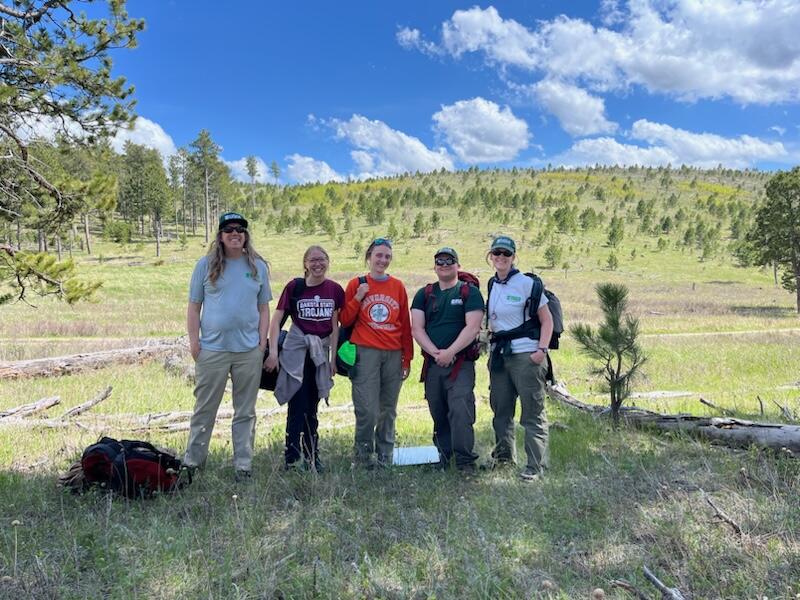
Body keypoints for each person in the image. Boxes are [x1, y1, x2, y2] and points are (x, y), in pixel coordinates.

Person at [185, 212, 272, 482]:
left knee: (245, 410)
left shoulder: (258, 266)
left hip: (248, 351)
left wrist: (261, 342)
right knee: (204, 408)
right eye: (229, 230)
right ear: (220, 236)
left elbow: (263, 307)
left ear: (246, 236)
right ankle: (192, 463)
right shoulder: (206, 265)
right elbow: (194, 306)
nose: (235, 234)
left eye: (240, 230)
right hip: (212, 349)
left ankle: (243, 465)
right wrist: (194, 342)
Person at [265, 245, 344, 472]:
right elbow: (276, 319)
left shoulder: (335, 290)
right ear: (305, 264)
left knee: (312, 406)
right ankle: (292, 458)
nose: (317, 264)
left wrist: (332, 360)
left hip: (318, 356)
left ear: (328, 262)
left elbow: (334, 326)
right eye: (313, 260)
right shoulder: (294, 287)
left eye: (322, 260)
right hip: (296, 353)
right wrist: (272, 351)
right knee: (296, 404)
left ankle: (312, 457)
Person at [339, 238, 413, 467]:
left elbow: (404, 324)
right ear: (369, 257)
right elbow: (345, 319)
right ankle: (362, 457)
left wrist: (407, 358)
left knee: (388, 409)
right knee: (367, 410)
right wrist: (359, 297)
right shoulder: (356, 284)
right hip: (365, 352)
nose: (383, 260)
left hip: (393, 352)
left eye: (387, 257)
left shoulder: (398, 286)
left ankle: (385, 457)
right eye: (379, 255)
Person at [485, 235, 553, 482]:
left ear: (514, 257)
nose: (501, 258)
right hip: (501, 356)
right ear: (491, 256)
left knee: (532, 412)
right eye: (497, 253)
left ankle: (535, 466)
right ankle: (504, 458)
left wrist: (541, 351)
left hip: (527, 354)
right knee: (501, 409)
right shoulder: (492, 284)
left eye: (506, 254)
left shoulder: (527, 284)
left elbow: (547, 320)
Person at [411, 247, 484, 472]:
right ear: (434, 267)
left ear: (457, 265)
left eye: (449, 261)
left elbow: (472, 328)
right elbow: (417, 328)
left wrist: (450, 352)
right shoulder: (424, 294)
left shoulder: (469, 293)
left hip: (460, 364)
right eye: (440, 261)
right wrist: (436, 353)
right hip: (433, 364)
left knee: (461, 410)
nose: (444, 265)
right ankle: (443, 457)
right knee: (438, 410)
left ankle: (464, 461)